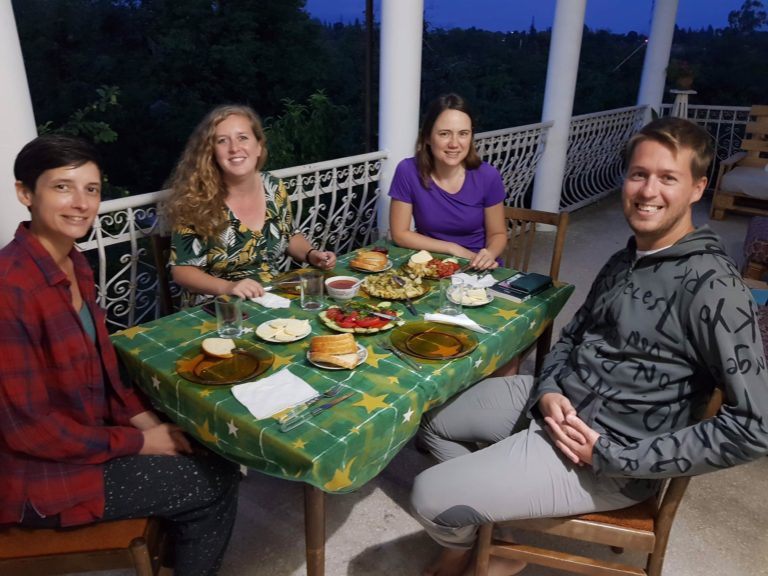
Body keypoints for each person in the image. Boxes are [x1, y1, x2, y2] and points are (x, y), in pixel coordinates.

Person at [410, 117, 768, 576]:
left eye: (667, 178)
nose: (647, 191)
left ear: (698, 188)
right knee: (433, 419)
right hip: (560, 404)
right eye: (639, 174)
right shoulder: (626, 257)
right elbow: (573, 335)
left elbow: (754, 428)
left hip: (607, 457)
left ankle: (470, 542)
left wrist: (615, 456)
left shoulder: (715, 288)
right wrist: (549, 389)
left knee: (427, 494)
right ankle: (489, 532)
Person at [0, 134, 240, 576]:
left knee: (206, 434)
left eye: (91, 189)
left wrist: (145, 421)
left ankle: (174, 543)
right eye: (62, 187)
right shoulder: (10, 289)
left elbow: (104, 369)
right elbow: (30, 433)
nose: (81, 203)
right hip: (38, 475)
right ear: (24, 193)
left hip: (83, 434)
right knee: (214, 482)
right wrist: (140, 441)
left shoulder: (73, 263)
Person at [164, 104, 336, 307]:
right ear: (211, 152)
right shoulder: (194, 199)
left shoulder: (273, 186)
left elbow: (289, 234)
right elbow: (183, 272)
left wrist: (311, 254)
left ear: (258, 146)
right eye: (222, 141)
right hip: (217, 308)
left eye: (242, 137)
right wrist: (229, 287)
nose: (234, 148)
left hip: (271, 297)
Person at [389, 93, 507, 270]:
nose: (454, 143)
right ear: (428, 138)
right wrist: (452, 248)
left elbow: (498, 233)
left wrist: (489, 254)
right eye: (444, 134)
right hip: (430, 266)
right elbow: (400, 234)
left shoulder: (488, 176)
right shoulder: (408, 171)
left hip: (476, 265)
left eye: (463, 134)